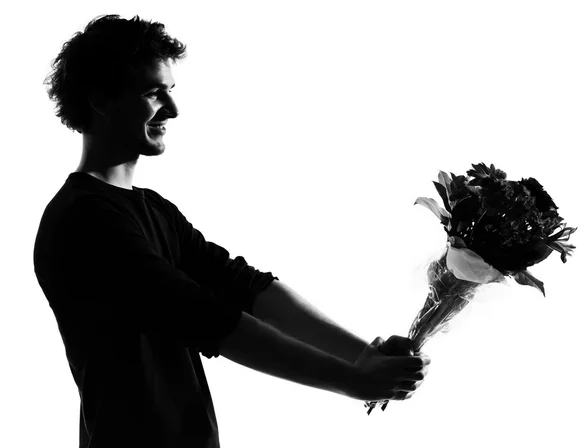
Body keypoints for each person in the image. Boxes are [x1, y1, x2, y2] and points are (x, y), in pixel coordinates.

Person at [33, 14, 430, 448]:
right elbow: (208, 318)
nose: (173, 108)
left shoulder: (154, 211)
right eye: (152, 92)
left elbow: (247, 288)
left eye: (171, 90)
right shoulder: (83, 219)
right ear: (100, 100)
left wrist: (362, 355)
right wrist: (351, 380)